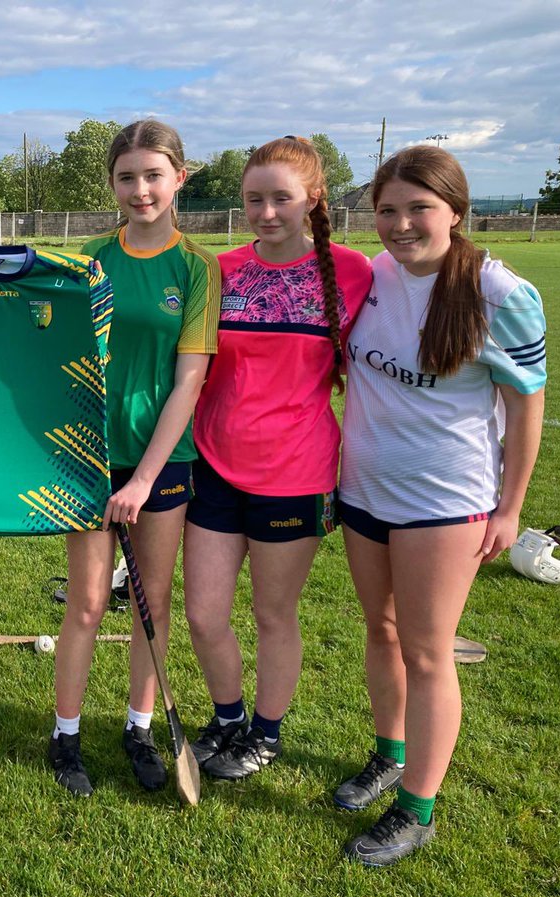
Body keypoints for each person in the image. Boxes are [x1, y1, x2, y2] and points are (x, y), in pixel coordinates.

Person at [337, 146, 546, 865]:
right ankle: (389, 755)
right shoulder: (371, 277)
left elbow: (526, 411)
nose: (399, 224)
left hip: (445, 502)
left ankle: (417, 809)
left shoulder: (500, 292)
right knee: (382, 630)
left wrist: (510, 508)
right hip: (362, 489)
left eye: (418, 208)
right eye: (387, 209)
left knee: (428, 652)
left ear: (456, 211)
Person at [184, 137, 372, 781]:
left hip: (297, 473)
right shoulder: (221, 269)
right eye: (254, 199)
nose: (266, 212)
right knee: (204, 613)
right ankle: (229, 717)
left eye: (281, 199)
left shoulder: (354, 272)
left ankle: (266, 733)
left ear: (312, 200)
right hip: (213, 464)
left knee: (272, 613)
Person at [48, 120, 220, 797]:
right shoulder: (90, 258)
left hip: (163, 463)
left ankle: (138, 729)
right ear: (112, 184)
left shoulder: (197, 267)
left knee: (152, 600)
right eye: (127, 177)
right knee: (88, 603)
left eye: (154, 175)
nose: (140, 189)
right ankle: (64, 737)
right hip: (89, 459)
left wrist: (145, 478)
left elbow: (189, 380)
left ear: (180, 178)